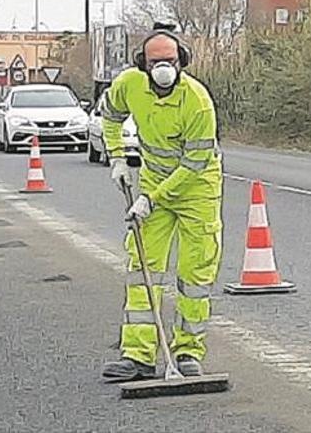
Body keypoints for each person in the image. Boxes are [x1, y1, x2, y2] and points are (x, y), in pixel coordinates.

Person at [101, 28, 223, 381]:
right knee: (143, 269)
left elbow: (194, 164)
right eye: (156, 63)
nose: (163, 69)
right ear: (143, 64)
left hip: (196, 189)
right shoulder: (129, 85)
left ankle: (187, 351)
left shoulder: (197, 101)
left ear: (181, 61)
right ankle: (138, 355)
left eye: (170, 62)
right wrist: (117, 158)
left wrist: (150, 200)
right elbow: (109, 115)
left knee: (194, 273)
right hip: (153, 183)